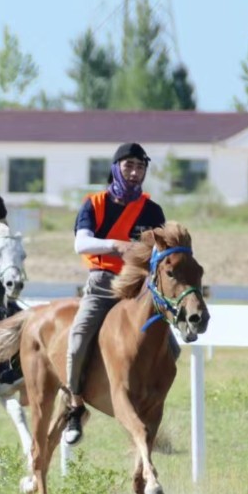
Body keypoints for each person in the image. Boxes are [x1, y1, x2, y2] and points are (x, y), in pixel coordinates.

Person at [61, 142, 168, 445]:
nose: (134, 173)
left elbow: (161, 251)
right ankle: (74, 405)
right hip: (103, 283)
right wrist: (114, 245)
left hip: (139, 287)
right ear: (115, 168)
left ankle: (152, 401)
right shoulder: (94, 204)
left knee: (169, 344)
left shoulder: (152, 209)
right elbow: (81, 244)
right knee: (78, 338)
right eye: (129, 166)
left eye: (140, 167)